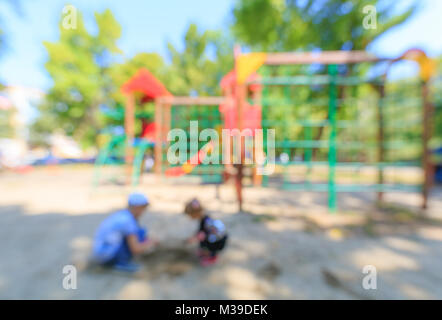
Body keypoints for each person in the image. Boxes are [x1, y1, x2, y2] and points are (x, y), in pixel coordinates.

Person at [92, 192, 156, 272]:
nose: (144, 211)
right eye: (143, 208)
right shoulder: (128, 221)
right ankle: (120, 263)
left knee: (140, 232)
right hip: (107, 256)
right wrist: (150, 243)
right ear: (137, 207)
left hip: (100, 252)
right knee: (139, 234)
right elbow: (135, 249)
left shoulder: (123, 215)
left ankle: (119, 261)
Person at [184, 198, 228, 266]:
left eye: (190, 215)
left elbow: (208, 234)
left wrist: (195, 238)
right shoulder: (203, 218)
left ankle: (212, 256)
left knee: (202, 238)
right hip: (216, 237)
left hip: (219, 241)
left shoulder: (207, 221)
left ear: (195, 213)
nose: (190, 217)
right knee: (201, 237)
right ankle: (206, 251)